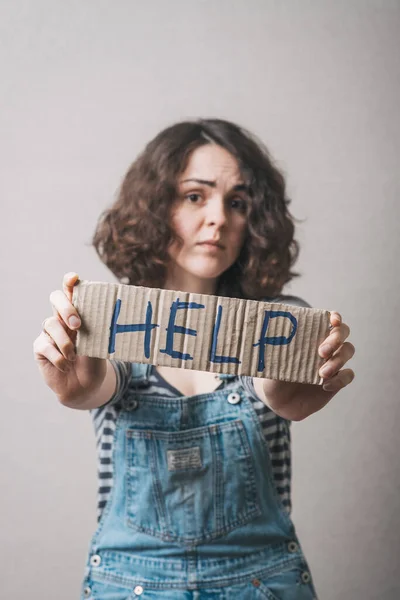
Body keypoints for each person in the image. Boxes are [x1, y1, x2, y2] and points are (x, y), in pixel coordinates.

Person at [34, 119, 355, 599]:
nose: (219, 218)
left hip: (261, 585)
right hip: (132, 587)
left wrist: (294, 384)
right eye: (194, 196)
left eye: (238, 202)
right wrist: (74, 381)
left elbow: (272, 386)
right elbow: (97, 384)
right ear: (156, 206)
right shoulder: (111, 320)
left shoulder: (279, 320)